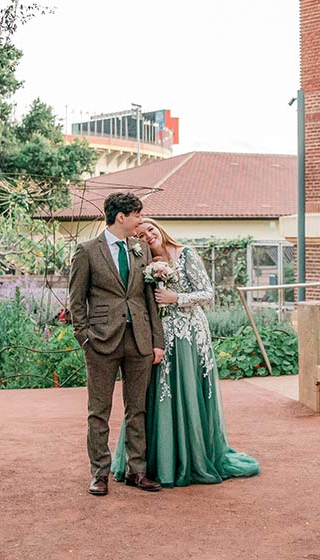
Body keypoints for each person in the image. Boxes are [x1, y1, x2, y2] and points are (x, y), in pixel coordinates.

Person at [111, 217, 260, 487]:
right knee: (156, 393)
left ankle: (192, 457)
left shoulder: (186, 254)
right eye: (142, 235)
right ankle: (154, 462)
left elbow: (208, 293)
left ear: (160, 230)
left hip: (190, 333)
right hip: (160, 337)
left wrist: (176, 298)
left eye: (151, 230)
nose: (149, 237)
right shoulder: (141, 264)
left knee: (189, 390)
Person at [68, 192, 165, 497]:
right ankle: (99, 474)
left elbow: (149, 299)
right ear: (121, 217)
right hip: (101, 342)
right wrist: (85, 338)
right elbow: (76, 301)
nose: (140, 221)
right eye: (136, 215)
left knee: (137, 409)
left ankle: (137, 471)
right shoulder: (87, 251)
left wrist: (156, 341)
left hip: (139, 340)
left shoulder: (140, 250)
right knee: (99, 411)